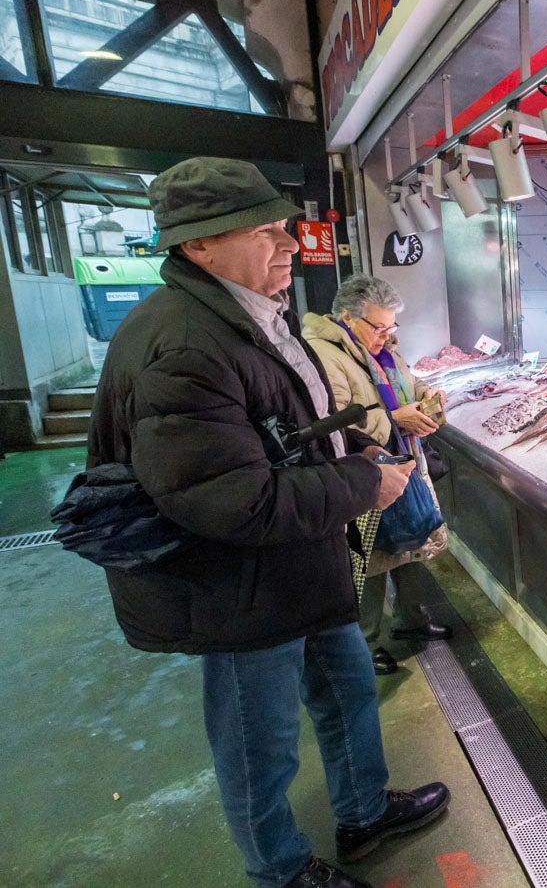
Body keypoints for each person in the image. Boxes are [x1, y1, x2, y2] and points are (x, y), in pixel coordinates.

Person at [86, 157, 450, 888]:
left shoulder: (247, 314)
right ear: (198, 246)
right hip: (236, 587)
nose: (288, 244)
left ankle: (362, 810)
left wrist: (351, 439)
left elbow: (276, 430)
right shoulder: (184, 343)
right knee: (260, 743)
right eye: (264, 232)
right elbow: (228, 499)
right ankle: (279, 870)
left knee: (347, 690)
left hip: (298, 564)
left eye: (284, 228)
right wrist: (361, 480)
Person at [303, 275, 452, 676]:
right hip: (362, 473)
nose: (385, 336)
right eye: (378, 327)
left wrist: (428, 395)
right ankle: (364, 645)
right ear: (348, 318)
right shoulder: (324, 354)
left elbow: (410, 381)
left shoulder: (383, 352)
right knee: (367, 557)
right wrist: (393, 420)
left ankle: (412, 621)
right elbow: (332, 421)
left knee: (409, 542)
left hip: (401, 463)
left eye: (391, 327)